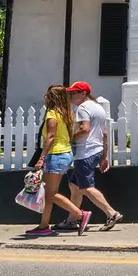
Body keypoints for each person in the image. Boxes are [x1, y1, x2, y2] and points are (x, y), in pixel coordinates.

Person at [25, 85, 89, 236]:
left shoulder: (52, 114)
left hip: (56, 154)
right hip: (64, 153)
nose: (45, 98)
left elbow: (50, 137)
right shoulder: (66, 114)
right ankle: (43, 226)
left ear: (52, 98)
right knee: (48, 194)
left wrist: (41, 158)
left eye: (47, 96)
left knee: (51, 193)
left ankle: (80, 214)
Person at [65, 80, 124, 229]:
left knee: (85, 187)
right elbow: (104, 134)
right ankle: (71, 220)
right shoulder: (98, 108)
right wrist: (104, 156)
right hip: (96, 150)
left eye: (73, 93)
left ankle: (112, 213)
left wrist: (68, 137)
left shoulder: (83, 108)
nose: (70, 96)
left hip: (85, 152)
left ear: (83, 93)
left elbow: (85, 129)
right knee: (74, 185)